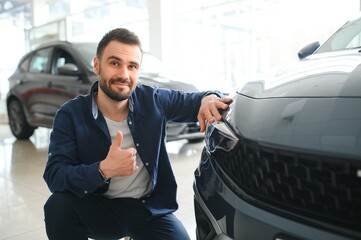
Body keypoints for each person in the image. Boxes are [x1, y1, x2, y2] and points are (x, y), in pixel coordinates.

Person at [43, 27, 232, 240]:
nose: (124, 75)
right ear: (97, 65)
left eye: (132, 66)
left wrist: (209, 97)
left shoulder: (153, 100)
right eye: (114, 63)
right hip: (98, 208)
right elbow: (55, 175)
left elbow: (202, 98)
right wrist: (102, 170)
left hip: (148, 210)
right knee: (57, 208)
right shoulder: (70, 114)